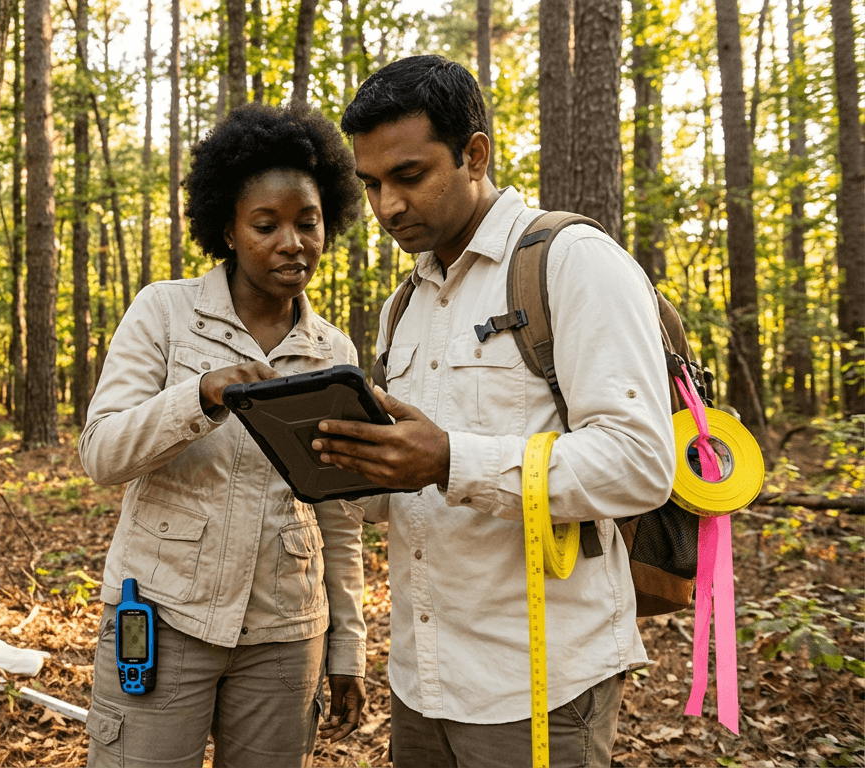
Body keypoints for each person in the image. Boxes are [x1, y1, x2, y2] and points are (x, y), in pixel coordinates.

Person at [312, 55, 676, 767]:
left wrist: (451, 460)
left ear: (475, 153)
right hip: (421, 680)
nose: (386, 206)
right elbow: (409, 492)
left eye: (409, 176)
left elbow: (640, 464)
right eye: (373, 184)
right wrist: (356, 468)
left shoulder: (572, 262)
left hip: (540, 682)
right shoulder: (404, 305)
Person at [78, 102, 369, 768]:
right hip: (163, 618)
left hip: (286, 632)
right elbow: (102, 453)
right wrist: (201, 395)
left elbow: (340, 513)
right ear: (229, 231)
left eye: (308, 222)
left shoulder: (333, 352)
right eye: (266, 225)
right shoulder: (166, 312)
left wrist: (348, 647)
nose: (291, 243)